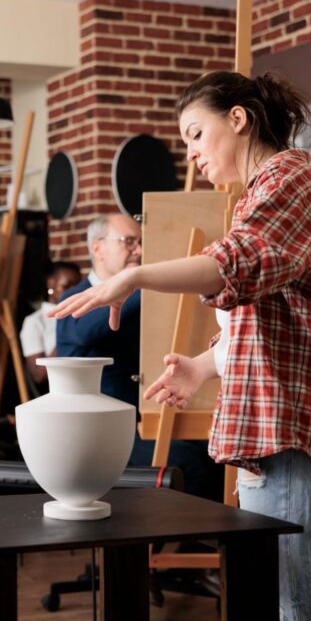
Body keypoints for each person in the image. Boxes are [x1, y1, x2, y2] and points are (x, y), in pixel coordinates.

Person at [53, 70, 311, 621]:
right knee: (280, 601)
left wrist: (136, 277)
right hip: (274, 429)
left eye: (196, 134)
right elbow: (270, 322)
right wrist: (202, 366)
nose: (192, 153)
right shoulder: (265, 193)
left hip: (289, 430)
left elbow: (237, 263)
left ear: (239, 119)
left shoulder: (287, 183)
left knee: (290, 606)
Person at [56, 214, 222, 502]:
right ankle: (184, 543)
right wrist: (148, 281)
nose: (139, 251)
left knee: (217, 452)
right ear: (98, 249)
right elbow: (90, 331)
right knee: (190, 464)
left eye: (141, 242)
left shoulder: (135, 296)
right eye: (128, 242)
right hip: (100, 432)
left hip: (148, 417)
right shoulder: (75, 297)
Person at [19, 261, 81, 391]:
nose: (73, 292)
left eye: (77, 287)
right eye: (66, 286)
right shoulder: (35, 322)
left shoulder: (81, 316)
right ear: (51, 284)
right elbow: (38, 375)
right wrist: (68, 336)